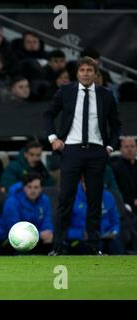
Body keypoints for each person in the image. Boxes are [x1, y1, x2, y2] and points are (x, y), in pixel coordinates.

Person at [43, 56, 121, 255]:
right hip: (71, 150)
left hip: (97, 151)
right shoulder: (66, 91)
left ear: (96, 74)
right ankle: (59, 246)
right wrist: (53, 138)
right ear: (77, 73)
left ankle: (95, 247)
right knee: (65, 199)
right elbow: (48, 114)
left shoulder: (106, 95)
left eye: (89, 70)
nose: (86, 74)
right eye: (82, 70)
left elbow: (116, 124)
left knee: (95, 200)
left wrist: (110, 147)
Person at [67, 177, 122, 255]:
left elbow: (116, 222)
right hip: (79, 240)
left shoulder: (108, 197)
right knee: (92, 247)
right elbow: (63, 230)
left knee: (114, 245)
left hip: (104, 237)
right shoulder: (71, 198)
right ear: (82, 183)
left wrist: (113, 232)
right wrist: (81, 234)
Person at [0, 173, 53, 254]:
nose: (33, 190)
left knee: (53, 244)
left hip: (36, 239)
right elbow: (15, 231)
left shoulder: (45, 201)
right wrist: (39, 235)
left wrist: (48, 233)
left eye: (36, 187)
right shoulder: (12, 202)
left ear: (41, 188)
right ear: (24, 188)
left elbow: (47, 222)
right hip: (11, 241)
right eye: (29, 187)